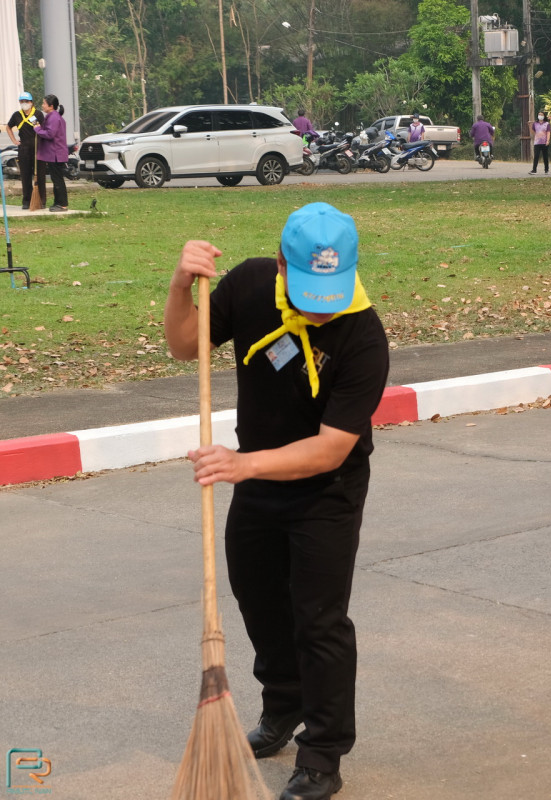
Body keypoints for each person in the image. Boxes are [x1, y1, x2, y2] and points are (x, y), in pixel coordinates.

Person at [164, 202, 389, 800]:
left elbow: (331, 449)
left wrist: (242, 465)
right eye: (310, 291)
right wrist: (180, 286)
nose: (322, 307)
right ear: (284, 267)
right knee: (259, 599)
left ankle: (322, 754)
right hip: (259, 482)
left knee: (319, 619)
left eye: (331, 293)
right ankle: (283, 704)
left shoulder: (363, 335)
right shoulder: (250, 284)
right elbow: (185, 346)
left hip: (326, 491)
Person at [4, 91, 44, 210]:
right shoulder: (17, 115)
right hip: (24, 149)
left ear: (31, 102)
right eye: (22, 101)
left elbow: (44, 130)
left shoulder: (38, 114)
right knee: (25, 176)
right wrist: (14, 141)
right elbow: (8, 127)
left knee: (40, 176)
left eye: (26, 101)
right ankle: (27, 201)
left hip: (37, 149)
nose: (24, 103)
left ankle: (41, 201)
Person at [32, 94, 69, 212]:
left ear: (51, 106)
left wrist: (37, 129)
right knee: (56, 179)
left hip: (56, 154)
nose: (42, 105)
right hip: (55, 153)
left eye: (44, 103)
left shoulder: (53, 117)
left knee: (57, 180)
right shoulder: (53, 116)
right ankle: (58, 203)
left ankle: (62, 204)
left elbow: (49, 134)